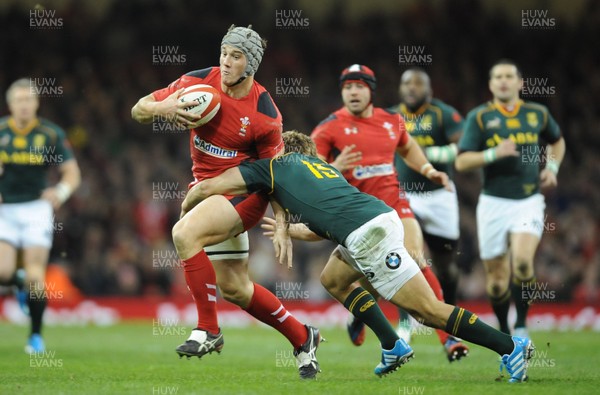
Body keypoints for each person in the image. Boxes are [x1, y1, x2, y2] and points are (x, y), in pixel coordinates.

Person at [182, 130, 535, 382]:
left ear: (277, 150)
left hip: (369, 236)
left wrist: (189, 207)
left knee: (428, 312)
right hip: (375, 220)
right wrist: (290, 229)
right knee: (333, 279)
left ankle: (509, 346)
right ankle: (392, 344)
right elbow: (326, 225)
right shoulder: (321, 169)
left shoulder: (273, 166)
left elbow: (213, 184)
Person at [131, 25, 320, 379]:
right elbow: (138, 110)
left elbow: (276, 176)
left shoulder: (265, 115)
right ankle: (303, 336)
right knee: (235, 287)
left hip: (244, 194)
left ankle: (208, 330)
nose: (226, 61)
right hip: (205, 187)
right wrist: (164, 106)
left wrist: (281, 225)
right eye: (224, 52)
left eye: (236, 56)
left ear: (252, 65)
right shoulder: (196, 82)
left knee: (184, 234)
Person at [310, 64, 467, 361]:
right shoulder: (328, 127)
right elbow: (310, 172)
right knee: (369, 276)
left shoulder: (391, 121)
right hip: (358, 215)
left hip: (395, 204)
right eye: (347, 87)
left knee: (415, 258)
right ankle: (362, 311)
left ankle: (449, 339)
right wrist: (334, 169)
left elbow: (408, 148)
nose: (353, 91)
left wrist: (428, 169)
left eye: (359, 85)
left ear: (371, 90)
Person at [455, 59, 566, 337]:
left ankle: (521, 326)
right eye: (497, 77)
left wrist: (551, 168)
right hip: (493, 203)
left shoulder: (537, 113)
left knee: (523, 263)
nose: (503, 81)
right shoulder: (480, 118)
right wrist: (493, 153)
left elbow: (557, 140)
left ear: (520, 83)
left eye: (509, 76)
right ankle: (504, 328)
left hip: (528, 201)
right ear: (491, 85)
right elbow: (462, 161)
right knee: (495, 283)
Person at [0, 78, 81, 353]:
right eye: (18, 100)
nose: (24, 105)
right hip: (5, 209)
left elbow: (72, 172)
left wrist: (60, 191)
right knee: (3, 272)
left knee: (36, 276)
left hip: (36, 208)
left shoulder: (50, 134)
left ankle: (35, 337)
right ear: (10, 104)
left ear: (36, 103)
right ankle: (18, 282)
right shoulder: (0, 132)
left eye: (28, 100)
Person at [390, 68, 463, 342]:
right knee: (406, 254)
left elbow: (464, 146)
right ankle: (405, 325)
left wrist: (431, 153)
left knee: (446, 267)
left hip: (440, 196)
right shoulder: (391, 117)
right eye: (406, 82)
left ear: (429, 90)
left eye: (417, 83)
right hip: (403, 195)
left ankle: (452, 318)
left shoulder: (443, 114)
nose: (411, 87)